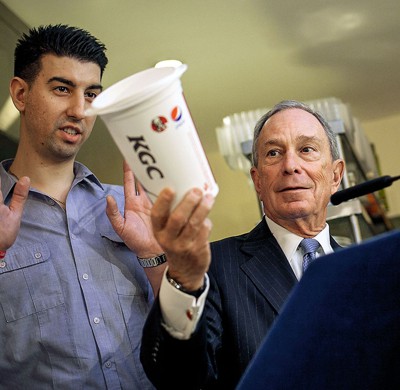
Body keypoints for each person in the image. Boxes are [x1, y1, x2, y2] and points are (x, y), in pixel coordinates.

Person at [0, 24, 168, 389]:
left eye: (91, 94)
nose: (79, 109)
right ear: (21, 93)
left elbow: (188, 331)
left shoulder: (131, 208)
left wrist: (156, 257)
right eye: (62, 89)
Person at [140, 100, 346, 389]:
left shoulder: (364, 272)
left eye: (306, 150)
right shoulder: (212, 265)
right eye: (274, 153)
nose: (290, 165)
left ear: (336, 175)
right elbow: (179, 379)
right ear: (258, 180)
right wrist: (185, 281)